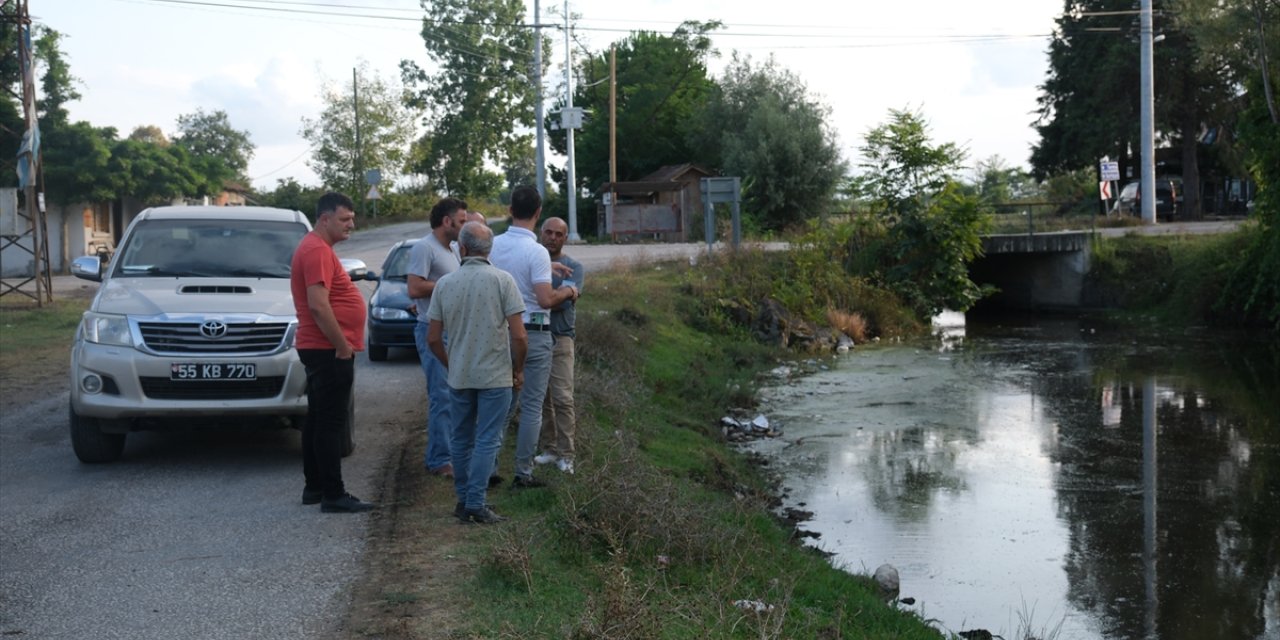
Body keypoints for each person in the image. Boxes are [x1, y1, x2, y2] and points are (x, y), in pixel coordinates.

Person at [427, 222, 527, 524]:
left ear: (463, 248)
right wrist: (518, 369)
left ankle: (463, 499)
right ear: (489, 250)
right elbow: (520, 336)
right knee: (487, 439)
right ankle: (476, 502)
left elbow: (433, 338)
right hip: (496, 376)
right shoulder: (503, 281)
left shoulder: (445, 284)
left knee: (460, 439)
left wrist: (450, 363)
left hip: (460, 376)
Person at [290, 192, 375, 513]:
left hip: (321, 346)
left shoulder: (317, 248)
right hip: (327, 348)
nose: (351, 224)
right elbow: (317, 304)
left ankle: (314, 487)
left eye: (352, 218)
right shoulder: (316, 250)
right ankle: (333, 494)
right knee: (330, 423)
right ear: (325, 219)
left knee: (317, 418)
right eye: (344, 219)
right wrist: (342, 345)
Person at [489, 186, 579, 488]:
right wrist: (568, 290)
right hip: (534, 332)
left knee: (502, 403)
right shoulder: (537, 251)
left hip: (500, 332)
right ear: (538, 214)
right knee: (531, 406)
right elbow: (544, 299)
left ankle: (488, 466)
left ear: (511, 210)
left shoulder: (494, 245)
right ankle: (522, 472)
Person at [408, 197, 469, 478]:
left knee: (454, 394)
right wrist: (451, 284)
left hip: (453, 331)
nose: (464, 226)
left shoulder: (454, 248)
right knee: (441, 396)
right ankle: (439, 460)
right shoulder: (424, 247)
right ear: (447, 221)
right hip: (432, 330)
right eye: (462, 220)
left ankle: (450, 453)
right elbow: (415, 288)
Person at [533, 217, 583, 475]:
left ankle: (567, 454)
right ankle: (550, 449)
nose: (552, 237)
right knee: (543, 399)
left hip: (561, 337)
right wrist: (554, 294)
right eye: (548, 232)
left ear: (565, 238)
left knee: (563, 397)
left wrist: (542, 298)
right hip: (535, 335)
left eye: (558, 234)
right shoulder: (533, 260)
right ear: (541, 233)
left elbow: (558, 303)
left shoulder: (574, 266)